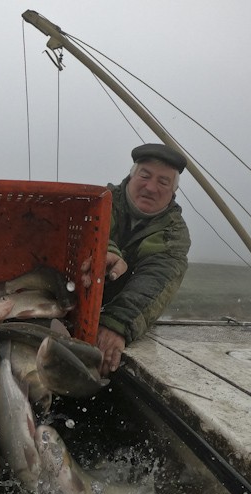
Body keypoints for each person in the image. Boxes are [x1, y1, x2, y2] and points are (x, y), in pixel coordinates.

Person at [82, 143, 191, 376]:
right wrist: (107, 251)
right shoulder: (100, 201)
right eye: (145, 175)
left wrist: (117, 324)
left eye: (163, 182)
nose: (151, 187)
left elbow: (158, 276)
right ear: (131, 176)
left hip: (112, 309)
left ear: (173, 191)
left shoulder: (173, 233)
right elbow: (88, 227)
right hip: (73, 298)